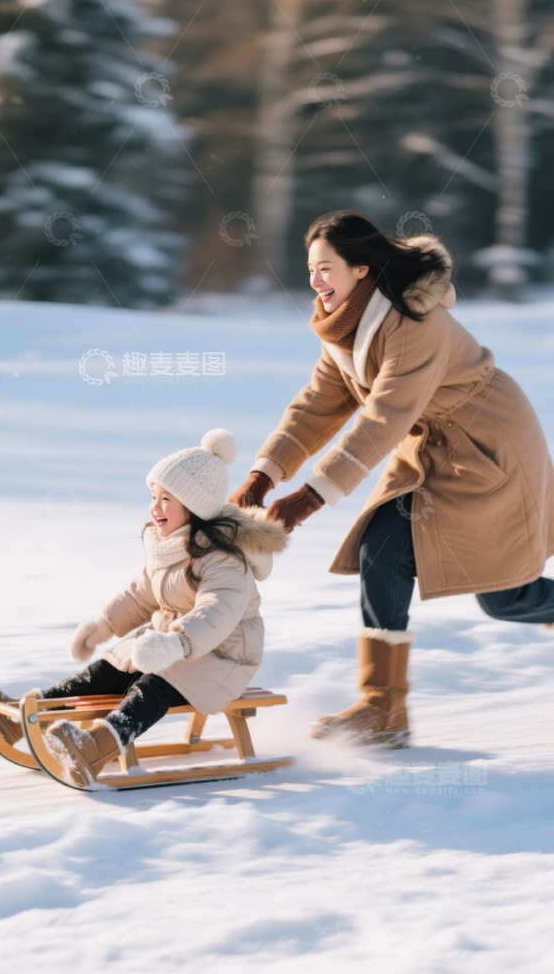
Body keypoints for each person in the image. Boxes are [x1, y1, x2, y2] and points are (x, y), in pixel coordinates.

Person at [230, 210, 554, 748]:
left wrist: (309, 497)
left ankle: (385, 710)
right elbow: (319, 403)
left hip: (487, 444)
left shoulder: (413, 320)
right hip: (425, 448)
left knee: (504, 596)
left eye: (326, 268)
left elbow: (385, 416)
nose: (315, 281)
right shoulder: (341, 324)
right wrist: (263, 474)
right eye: (310, 269)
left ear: (361, 269)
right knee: (381, 547)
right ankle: (384, 709)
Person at [29, 429, 288, 787]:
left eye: (167, 499)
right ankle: (34, 710)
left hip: (225, 655)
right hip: (174, 642)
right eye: (153, 496)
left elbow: (217, 611)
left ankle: (96, 747)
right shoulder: (169, 547)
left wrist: (176, 644)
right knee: (113, 666)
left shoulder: (225, 558)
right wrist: (104, 625)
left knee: (156, 684)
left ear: (195, 507)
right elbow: (140, 596)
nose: (155, 507)